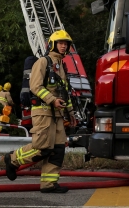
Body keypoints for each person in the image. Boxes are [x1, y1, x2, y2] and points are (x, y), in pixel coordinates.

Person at [4, 30, 77, 194]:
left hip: (58, 115)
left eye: (66, 43)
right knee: (43, 147)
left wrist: (70, 113)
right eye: (60, 43)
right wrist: (52, 100)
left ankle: (49, 184)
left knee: (58, 149)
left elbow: (65, 92)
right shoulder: (43, 62)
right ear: (52, 44)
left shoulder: (61, 66)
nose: (64, 46)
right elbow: (35, 86)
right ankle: (13, 159)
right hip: (43, 112)